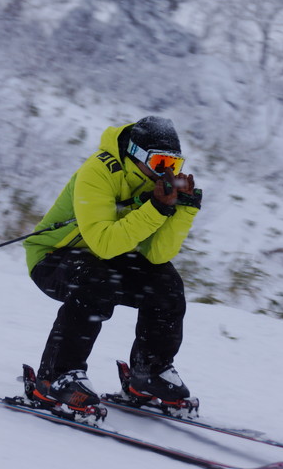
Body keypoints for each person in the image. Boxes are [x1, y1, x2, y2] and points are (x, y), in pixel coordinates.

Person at [23, 116, 202, 414]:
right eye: (160, 162)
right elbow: (103, 243)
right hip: (52, 258)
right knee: (96, 281)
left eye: (174, 164)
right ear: (136, 153)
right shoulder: (98, 172)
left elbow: (156, 255)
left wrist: (182, 210)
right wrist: (156, 208)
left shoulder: (154, 182)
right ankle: (55, 377)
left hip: (102, 260)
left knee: (166, 284)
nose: (167, 172)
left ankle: (149, 374)